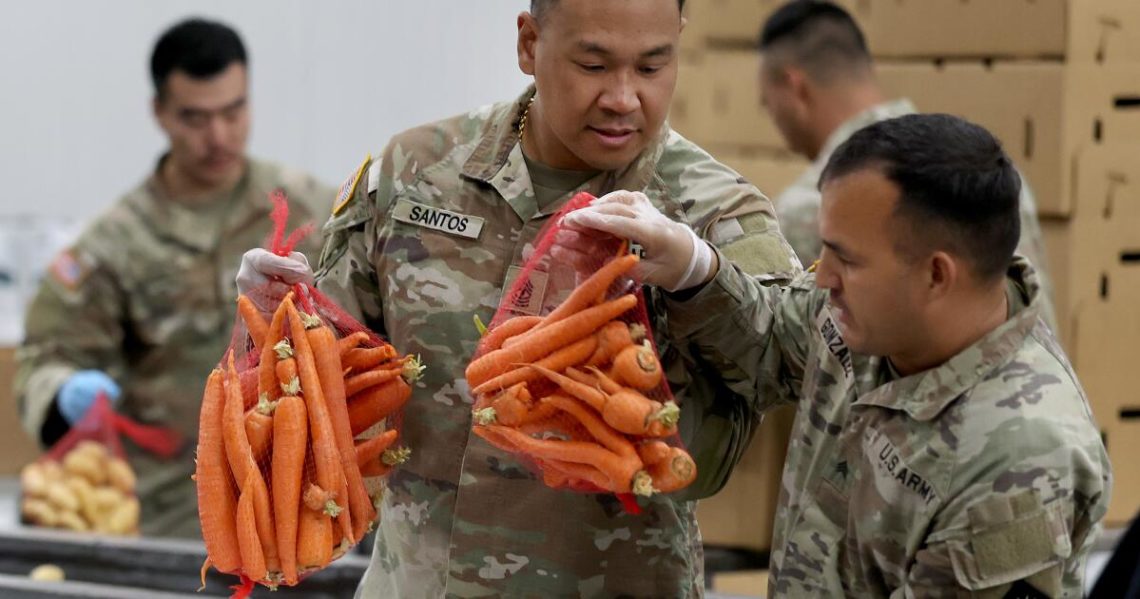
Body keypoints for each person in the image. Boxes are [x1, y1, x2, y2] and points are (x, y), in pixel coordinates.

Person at [239, 0, 800, 594]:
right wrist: (276, 319)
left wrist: (699, 275)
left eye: (652, 67)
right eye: (593, 65)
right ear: (529, 44)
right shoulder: (417, 173)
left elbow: (790, 366)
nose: (623, 97)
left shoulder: (711, 211)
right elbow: (329, 375)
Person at [564, 113, 1111, 597]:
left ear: (936, 275)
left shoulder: (1018, 464)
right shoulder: (877, 317)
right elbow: (775, 341)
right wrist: (694, 271)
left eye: (846, 259)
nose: (823, 275)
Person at [14, 18, 333, 539]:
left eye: (234, 111)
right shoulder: (115, 243)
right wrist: (63, 391)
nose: (218, 137)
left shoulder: (306, 210)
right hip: (177, 518)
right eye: (195, 118)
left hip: (298, 509)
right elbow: (43, 360)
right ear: (159, 112)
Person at [757, 1, 1058, 330]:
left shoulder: (808, 208)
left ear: (794, 85)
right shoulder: (987, 171)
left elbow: (788, 354)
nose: (769, 116)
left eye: (767, 103)